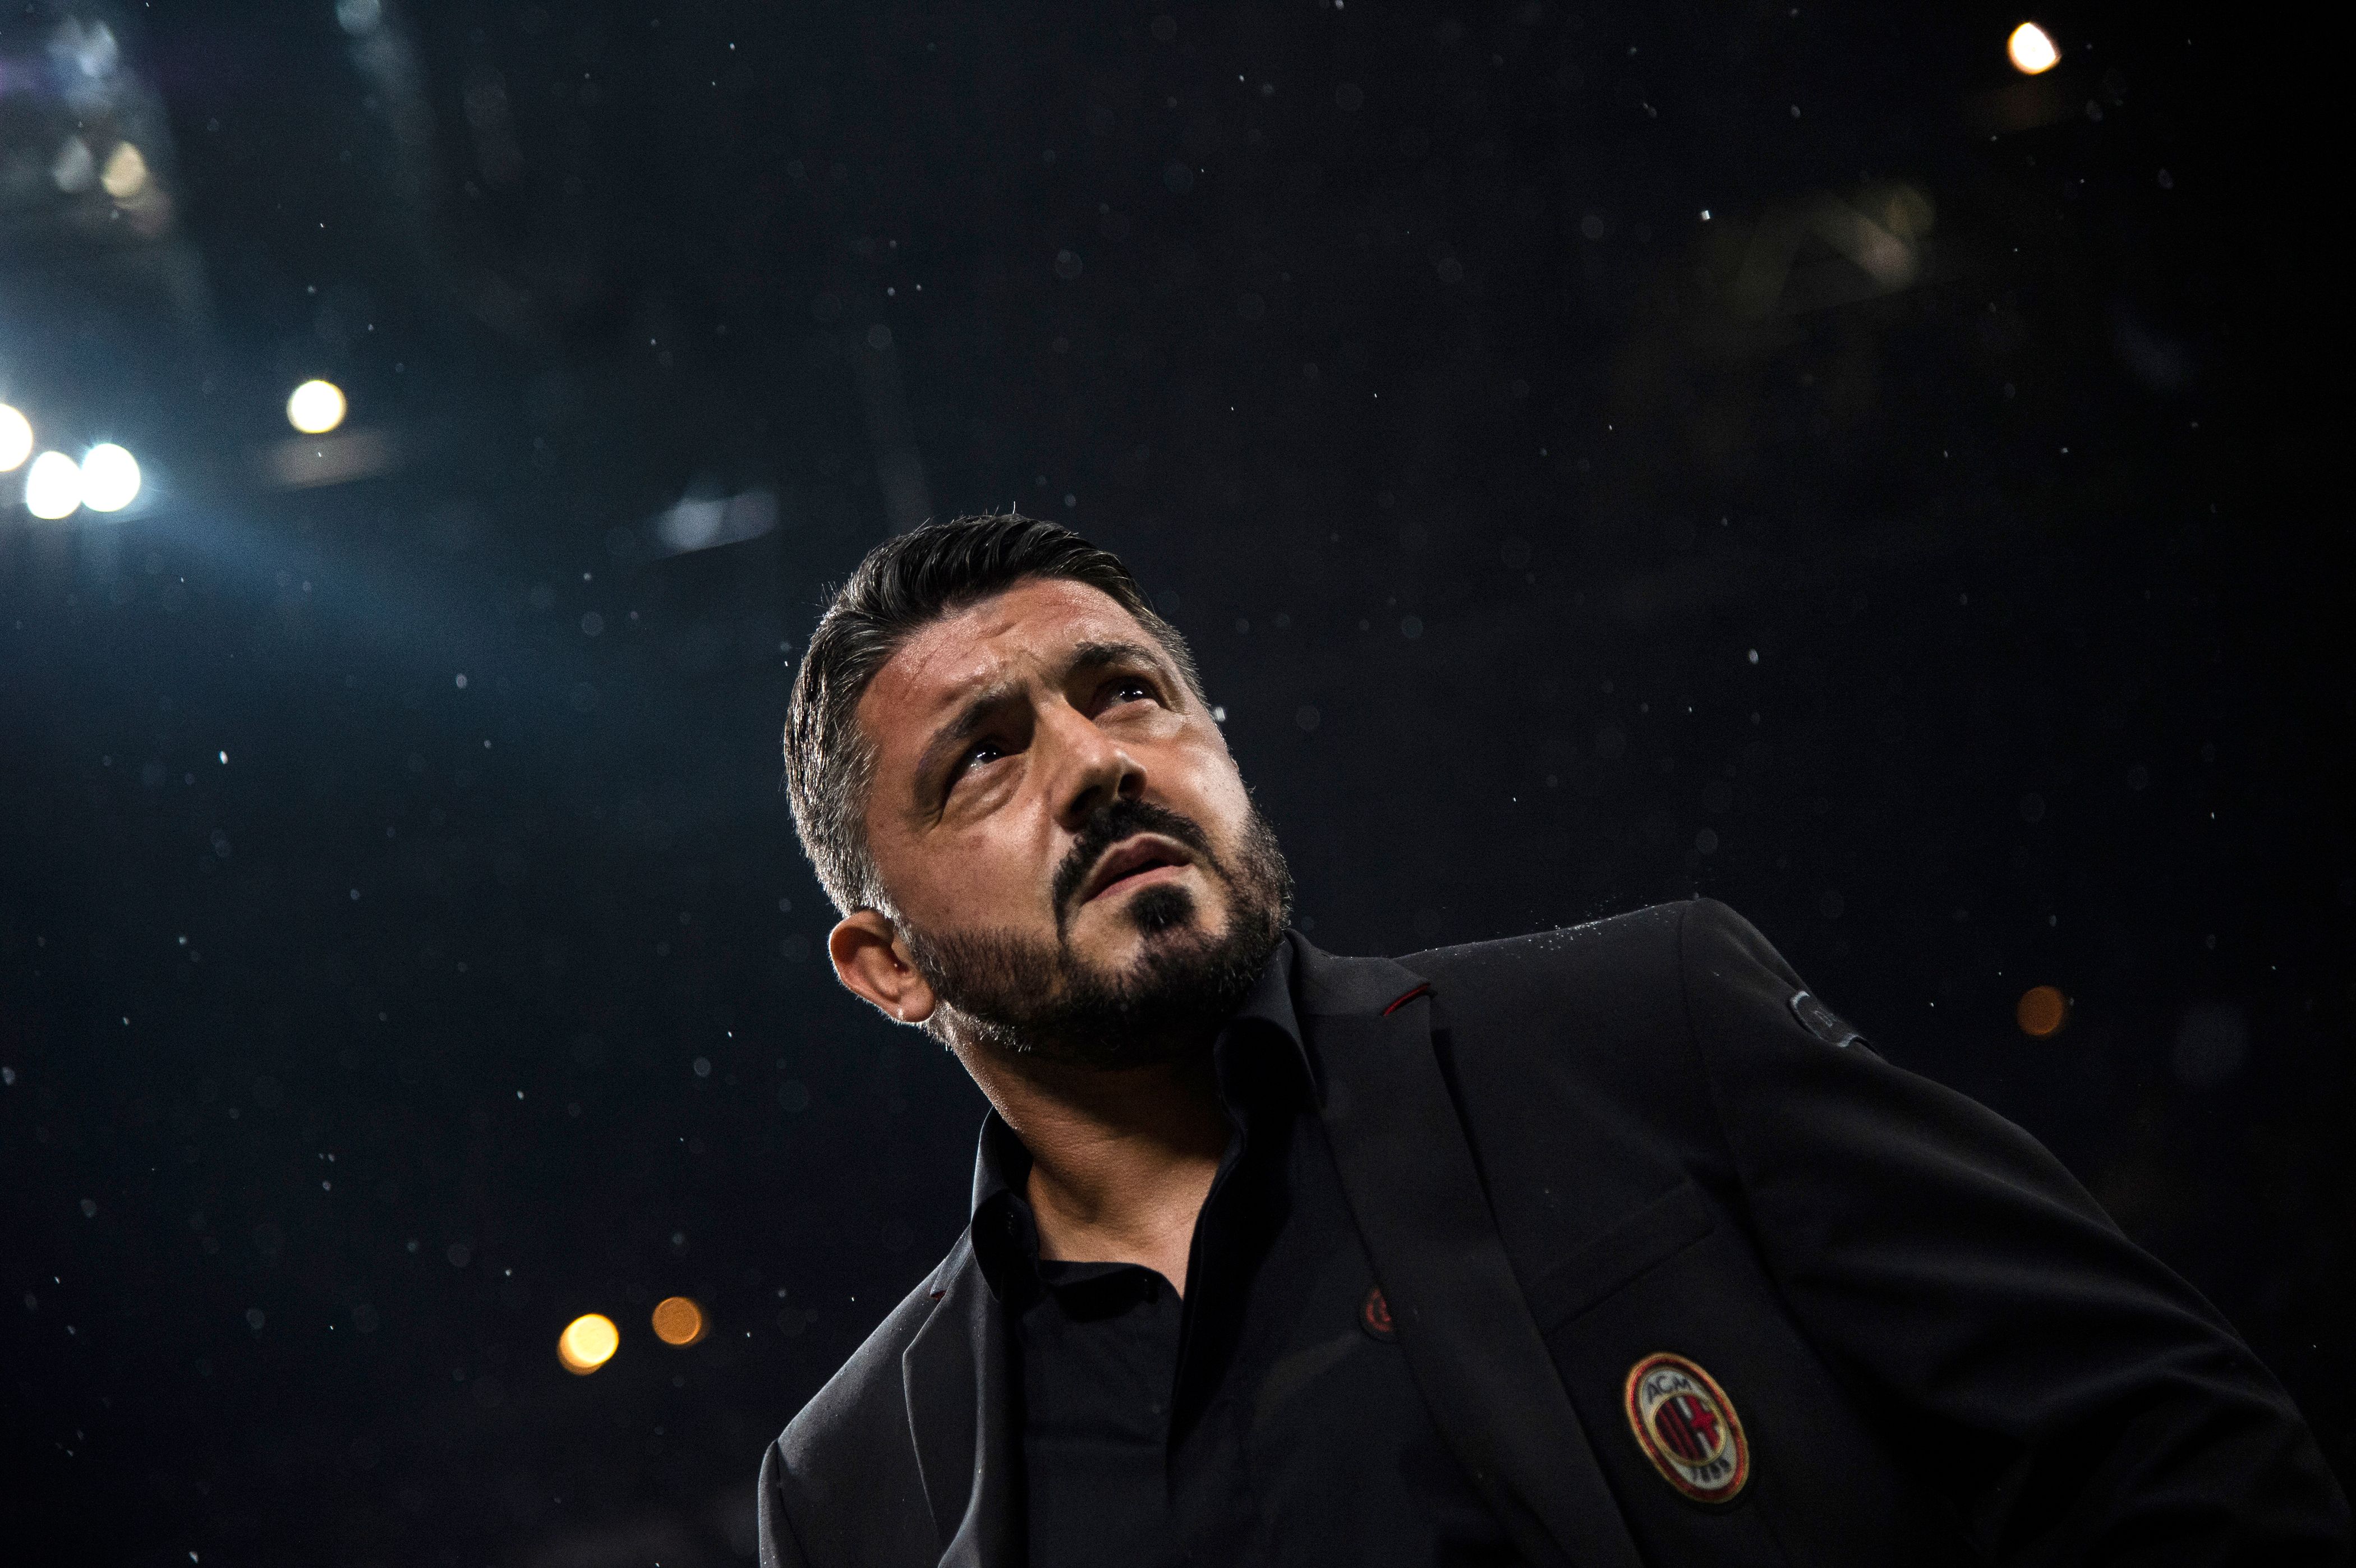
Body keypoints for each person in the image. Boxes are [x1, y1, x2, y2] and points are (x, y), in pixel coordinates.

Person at [758, 513, 2347, 1568]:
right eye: (985, 758)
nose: (1100, 761)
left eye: (1131, 691)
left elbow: (2175, 1450)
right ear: (886, 965)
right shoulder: (851, 1490)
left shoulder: (1638, 1028)